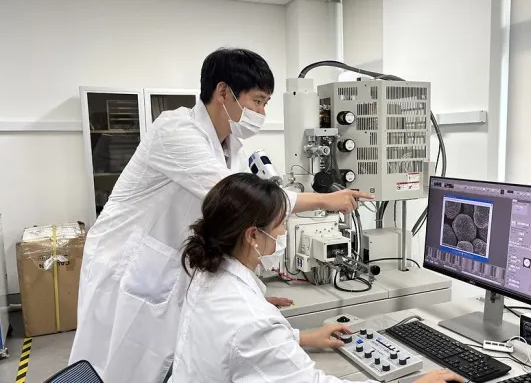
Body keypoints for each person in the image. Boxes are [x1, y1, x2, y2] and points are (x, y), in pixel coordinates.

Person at [69, 48, 373, 382]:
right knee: (117, 366)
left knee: (168, 358)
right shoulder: (176, 131)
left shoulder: (232, 148)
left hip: (172, 271)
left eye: (266, 103)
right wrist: (327, 201)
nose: (262, 112)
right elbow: (242, 199)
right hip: (128, 271)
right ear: (224, 92)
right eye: (257, 101)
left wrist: (251, 296)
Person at [171, 173, 463, 383]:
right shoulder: (251, 319)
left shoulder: (206, 273)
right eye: (280, 224)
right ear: (252, 236)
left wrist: (301, 337)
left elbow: (244, 350)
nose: (284, 232)